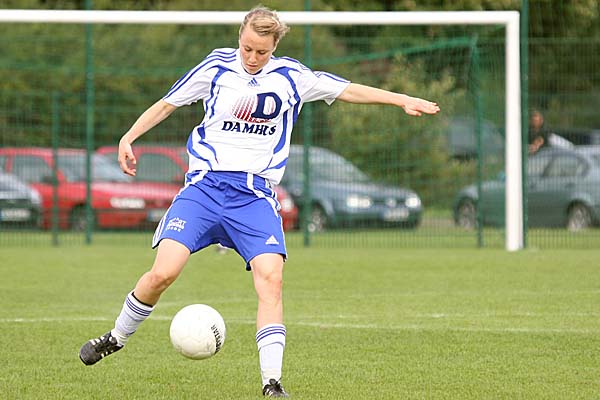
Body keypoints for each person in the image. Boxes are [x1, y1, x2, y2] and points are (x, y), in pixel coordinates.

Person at [78, 5, 440, 398]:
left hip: (254, 197)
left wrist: (400, 99)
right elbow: (168, 103)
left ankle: (272, 382)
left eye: (262, 52)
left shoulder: (291, 77)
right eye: (247, 48)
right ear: (240, 38)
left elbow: (348, 89)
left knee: (272, 280)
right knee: (163, 273)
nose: (252, 58)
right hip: (204, 189)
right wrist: (128, 137)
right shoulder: (216, 67)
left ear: (275, 47)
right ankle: (116, 337)